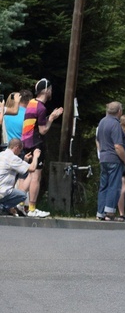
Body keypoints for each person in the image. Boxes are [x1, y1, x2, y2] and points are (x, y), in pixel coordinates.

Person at [19, 79, 63, 217]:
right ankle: (32, 208)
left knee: (29, 174)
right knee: (36, 176)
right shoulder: (41, 107)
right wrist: (52, 118)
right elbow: (43, 130)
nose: (51, 91)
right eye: (50, 89)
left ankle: (19, 204)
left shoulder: (31, 103)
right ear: (45, 90)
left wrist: (49, 118)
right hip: (36, 143)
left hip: (26, 141)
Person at [96, 102, 125, 221]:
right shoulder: (115, 125)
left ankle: (100, 212)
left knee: (103, 185)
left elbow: (98, 140)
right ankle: (109, 212)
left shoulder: (102, 122)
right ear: (119, 111)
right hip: (114, 159)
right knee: (114, 185)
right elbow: (118, 147)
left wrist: (102, 153)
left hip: (104, 157)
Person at [0, 139, 40, 215]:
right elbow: (32, 168)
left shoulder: (1, 154)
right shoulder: (12, 158)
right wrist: (36, 157)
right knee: (22, 195)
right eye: (20, 150)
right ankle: (2, 207)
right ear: (16, 147)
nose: (20, 153)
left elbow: (16, 167)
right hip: (2, 191)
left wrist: (25, 160)